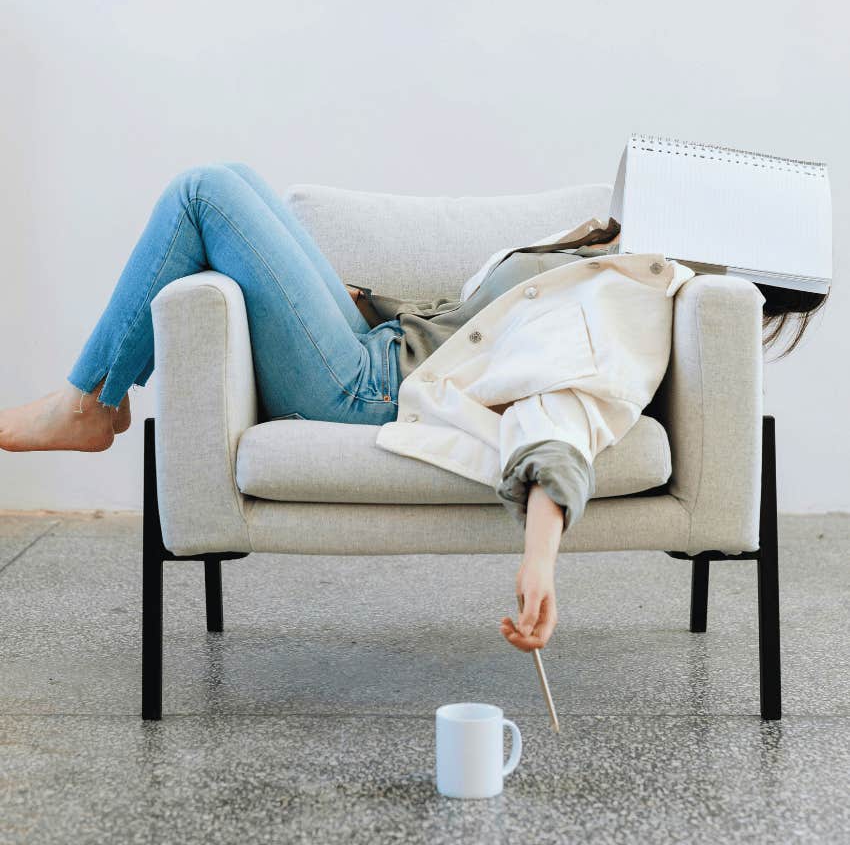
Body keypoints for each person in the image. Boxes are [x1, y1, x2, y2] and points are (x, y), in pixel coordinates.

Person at [0, 162, 827, 656]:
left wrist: (541, 558)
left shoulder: (643, 300)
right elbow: (473, 329)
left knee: (206, 191)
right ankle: (93, 398)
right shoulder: (618, 256)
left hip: (366, 386)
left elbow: (564, 414)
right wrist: (368, 302)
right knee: (236, 185)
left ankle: (90, 401)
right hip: (377, 343)